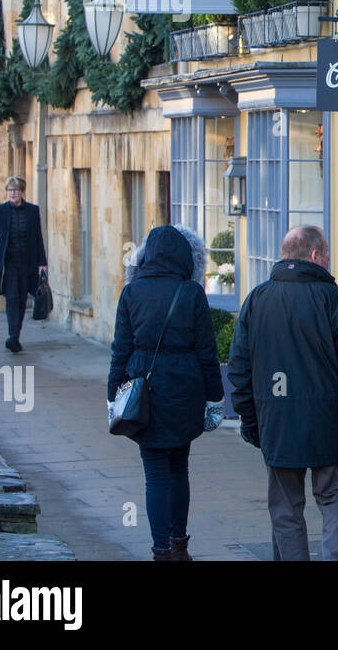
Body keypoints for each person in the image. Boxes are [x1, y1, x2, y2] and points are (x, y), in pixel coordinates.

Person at [228, 225, 338, 561]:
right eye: (327, 253)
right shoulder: (336, 300)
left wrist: (248, 416)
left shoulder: (257, 300)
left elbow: (239, 366)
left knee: (285, 506)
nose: (329, 260)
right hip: (328, 418)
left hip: (276, 416)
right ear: (315, 255)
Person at [107, 225, 224, 561]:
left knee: (155, 473)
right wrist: (215, 398)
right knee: (179, 468)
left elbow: (121, 349)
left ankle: (160, 551)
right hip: (185, 389)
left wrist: (112, 394)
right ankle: (179, 544)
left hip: (146, 389)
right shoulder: (191, 292)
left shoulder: (131, 292)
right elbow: (206, 352)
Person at [0, 176, 47, 353]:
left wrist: (42, 263)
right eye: (10, 190)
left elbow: (38, 238)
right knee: (12, 298)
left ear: (22, 192)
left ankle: (16, 334)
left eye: (16, 190)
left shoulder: (32, 211)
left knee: (22, 299)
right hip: (9, 263)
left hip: (28, 262)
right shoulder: (0, 211)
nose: (13, 193)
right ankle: (13, 337)